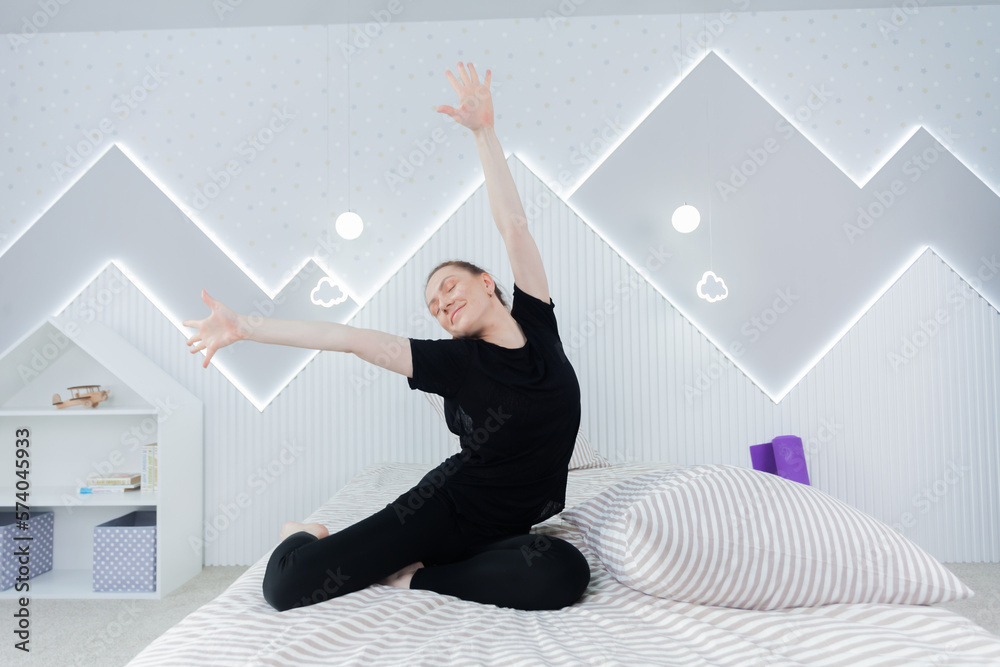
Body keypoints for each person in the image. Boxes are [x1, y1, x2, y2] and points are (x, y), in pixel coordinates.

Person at [182, 62, 590, 612]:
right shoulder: (457, 363)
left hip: (504, 529)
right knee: (286, 587)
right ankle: (299, 530)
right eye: (434, 306)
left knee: (563, 575)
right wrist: (245, 327)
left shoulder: (539, 324)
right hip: (442, 512)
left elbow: (514, 225)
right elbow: (347, 337)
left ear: (488, 283)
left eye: (449, 286)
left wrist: (483, 131)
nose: (442, 302)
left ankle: (421, 580)